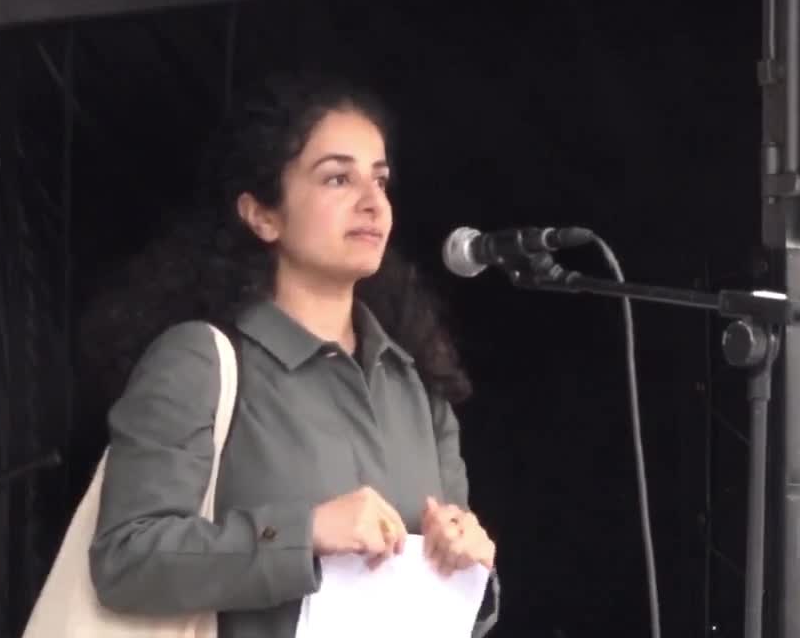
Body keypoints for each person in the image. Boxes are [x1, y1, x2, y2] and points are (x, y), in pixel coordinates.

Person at [80, 72, 500, 638]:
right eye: (337, 179)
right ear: (262, 215)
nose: (373, 203)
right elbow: (127, 559)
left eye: (380, 181)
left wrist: (470, 568)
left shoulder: (418, 385)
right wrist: (305, 532)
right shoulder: (201, 361)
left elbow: (448, 611)